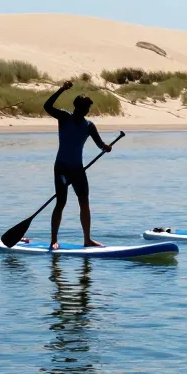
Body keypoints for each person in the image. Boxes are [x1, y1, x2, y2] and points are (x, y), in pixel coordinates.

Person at [43, 81, 114, 250]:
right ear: (77, 107)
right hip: (61, 167)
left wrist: (106, 147)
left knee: (84, 202)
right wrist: (61, 89)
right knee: (61, 203)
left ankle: (87, 239)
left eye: (87, 109)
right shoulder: (64, 117)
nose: (87, 111)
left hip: (77, 170)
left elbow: (100, 145)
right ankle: (53, 240)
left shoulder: (89, 126)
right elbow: (47, 106)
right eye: (85, 108)